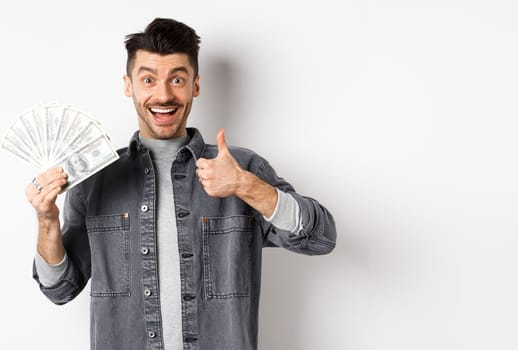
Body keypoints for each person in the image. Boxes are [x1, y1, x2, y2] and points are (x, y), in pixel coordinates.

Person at [26, 18, 337, 350]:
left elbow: (321, 238)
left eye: (177, 79)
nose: (163, 94)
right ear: (128, 85)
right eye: (148, 79)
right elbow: (60, 289)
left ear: (195, 85)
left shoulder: (242, 168)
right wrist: (47, 221)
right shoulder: (95, 180)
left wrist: (246, 186)